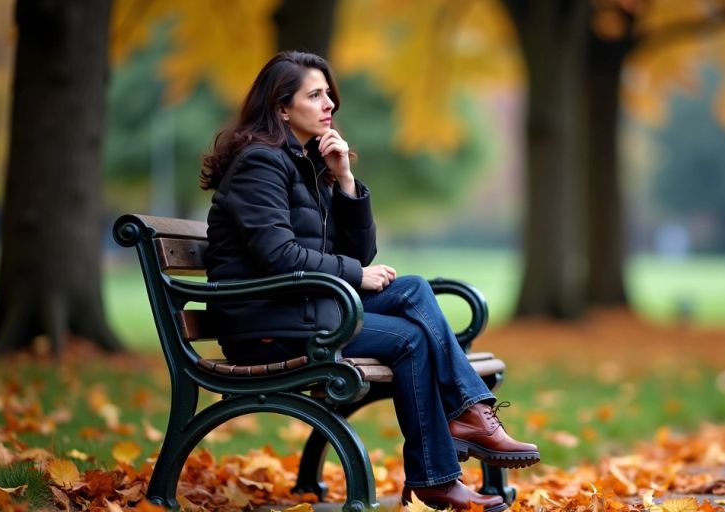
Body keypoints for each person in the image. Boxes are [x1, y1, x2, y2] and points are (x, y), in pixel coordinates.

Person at [199, 50, 539, 511]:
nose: (329, 105)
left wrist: (344, 180)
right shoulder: (261, 164)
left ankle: (467, 420)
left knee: (413, 288)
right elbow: (279, 256)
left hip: (302, 311)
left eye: (329, 95)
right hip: (265, 326)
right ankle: (444, 466)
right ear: (281, 108)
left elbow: (358, 254)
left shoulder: (306, 165)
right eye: (315, 95)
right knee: (410, 340)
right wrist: (357, 275)